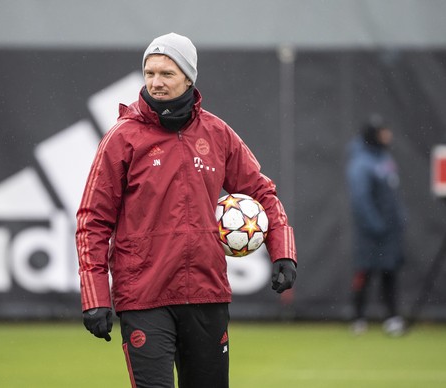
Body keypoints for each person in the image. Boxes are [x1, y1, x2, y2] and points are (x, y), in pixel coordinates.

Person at [75, 32, 297, 388]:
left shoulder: (218, 133)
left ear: (189, 78)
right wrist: (95, 296)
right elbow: (92, 221)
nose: (156, 83)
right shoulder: (121, 138)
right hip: (144, 297)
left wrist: (283, 251)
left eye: (167, 74)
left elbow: (263, 192)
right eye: (149, 73)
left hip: (206, 293)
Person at [346, 114, 407, 336]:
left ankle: (392, 317)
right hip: (371, 232)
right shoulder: (361, 162)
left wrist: (399, 218)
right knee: (365, 272)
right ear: (373, 135)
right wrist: (375, 224)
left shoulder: (385, 158)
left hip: (389, 230)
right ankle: (358, 318)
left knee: (390, 272)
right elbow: (360, 200)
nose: (387, 135)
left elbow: (391, 195)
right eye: (382, 132)